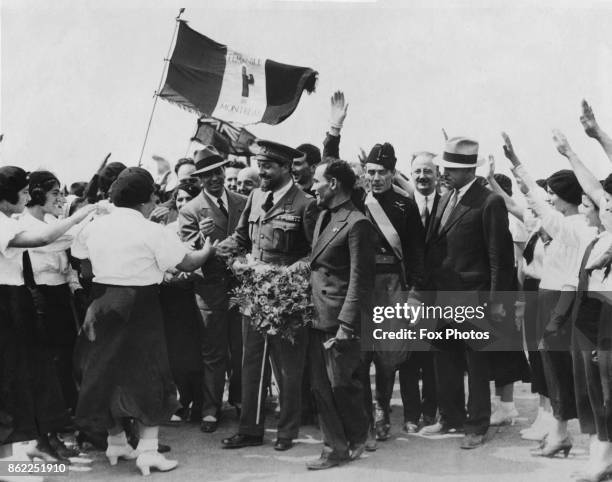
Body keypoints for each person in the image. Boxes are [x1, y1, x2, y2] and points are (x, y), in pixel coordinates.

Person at [72, 167, 217, 476]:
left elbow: (79, 254)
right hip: (139, 305)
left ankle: (117, 442)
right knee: (149, 374)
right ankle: (148, 452)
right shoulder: (153, 230)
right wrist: (208, 248)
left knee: (103, 373)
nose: (155, 200)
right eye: (152, 195)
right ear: (145, 199)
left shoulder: (96, 225)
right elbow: (186, 262)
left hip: (100, 302)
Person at [219, 139, 318, 451]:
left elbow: (316, 253)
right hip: (253, 295)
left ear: (286, 168)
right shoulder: (256, 195)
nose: (262, 171)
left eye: (268, 166)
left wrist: (289, 276)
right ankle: (250, 429)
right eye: (260, 165)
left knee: (287, 368)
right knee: (252, 364)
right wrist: (230, 254)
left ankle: (287, 431)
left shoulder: (305, 203)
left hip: (287, 298)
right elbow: (240, 237)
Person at [417, 137, 515, 450]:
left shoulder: (489, 202)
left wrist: (498, 302)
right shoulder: (446, 196)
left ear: (470, 170)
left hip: (474, 295)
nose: (445, 173)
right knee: (444, 359)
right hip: (443, 295)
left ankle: (477, 424)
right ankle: (450, 417)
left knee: (476, 365)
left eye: (452, 169)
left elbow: (500, 257)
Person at [506, 131, 598, 458]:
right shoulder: (566, 224)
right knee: (550, 367)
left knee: (558, 368)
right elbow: (534, 204)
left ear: (564, 197)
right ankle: (558, 431)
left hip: (562, 300)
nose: (548, 199)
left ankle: (562, 433)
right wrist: (516, 167)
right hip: (549, 296)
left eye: (552, 194)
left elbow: (539, 207)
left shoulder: (576, 227)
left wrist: (517, 164)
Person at [0, 166, 95, 465]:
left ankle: (37, 442)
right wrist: (80, 214)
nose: (28, 197)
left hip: (16, 299)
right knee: (12, 377)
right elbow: (41, 241)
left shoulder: (6, 220)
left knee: (33, 373)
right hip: (7, 300)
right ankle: (12, 460)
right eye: (24, 192)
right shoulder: (3, 224)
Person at [306, 159, 375, 470]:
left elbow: (361, 278)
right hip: (317, 315)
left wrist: (347, 323)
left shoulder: (357, 222)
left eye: (318, 181)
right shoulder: (324, 216)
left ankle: (358, 434)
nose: (313, 186)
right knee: (321, 387)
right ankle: (335, 447)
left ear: (333, 184)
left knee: (341, 385)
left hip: (339, 319)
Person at [360, 142, 425, 445]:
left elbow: (416, 254)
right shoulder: (358, 201)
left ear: (392, 173)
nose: (375, 178)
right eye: (370, 171)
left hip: (391, 287)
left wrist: (414, 294)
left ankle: (381, 409)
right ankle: (364, 416)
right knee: (360, 354)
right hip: (360, 285)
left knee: (387, 355)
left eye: (382, 172)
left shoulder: (405, 205)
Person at [179, 147, 248, 432]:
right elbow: (186, 252)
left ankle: (242, 401)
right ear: (199, 179)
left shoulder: (243, 200)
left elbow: (251, 238)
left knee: (241, 348)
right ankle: (211, 409)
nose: (214, 179)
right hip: (209, 290)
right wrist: (200, 239)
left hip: (241, 287)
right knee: (213, 352)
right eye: (206, 175)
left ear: (223, 171)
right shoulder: (190, 209)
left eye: (217, 172)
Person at [398, 151, 440, 433]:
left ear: (437, 174)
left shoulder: (447, 203)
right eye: (417, 172)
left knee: (433, 356)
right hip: (406, 292)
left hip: (437, 293)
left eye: (428, 171)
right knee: (408, 357)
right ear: (410, 176)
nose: (422, 176)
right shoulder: (401, 206)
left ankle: (431, 411)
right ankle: (411, 414)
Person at [160, 179, 204, 423]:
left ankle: (200, 401)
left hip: (196, 294)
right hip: (173, 298)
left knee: (197, 352)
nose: (184, 203)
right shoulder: (167, 230)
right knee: (177, 353)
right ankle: (183, 399)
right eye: (180, 199)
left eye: (189, 199)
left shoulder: (203, 227)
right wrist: (170, 274)